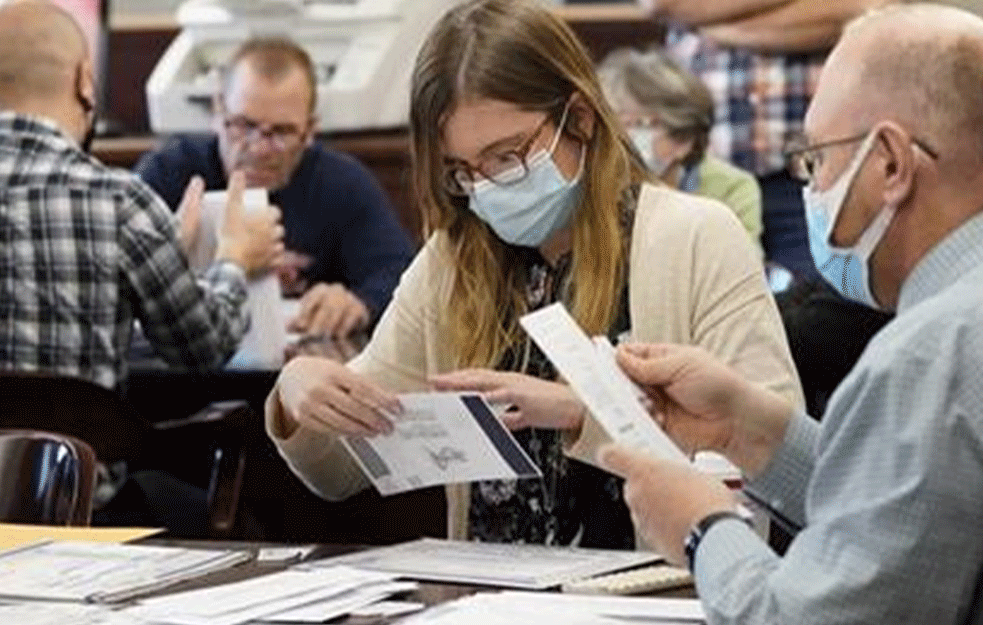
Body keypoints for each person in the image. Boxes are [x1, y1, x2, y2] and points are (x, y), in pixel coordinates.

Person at [263, 0, 802, 549]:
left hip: (655, 593)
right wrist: (296, 393)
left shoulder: (694, 236)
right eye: (462, 171)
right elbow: (339, 472)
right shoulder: (453, 262)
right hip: (489, 597)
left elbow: (770, 455)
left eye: (508, 156)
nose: (489, 187)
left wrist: (580, 412)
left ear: (581, 118)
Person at [601, 5, 983, 622]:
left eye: (817, 160)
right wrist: (750, 429)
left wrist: (702, 529)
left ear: (889, 163)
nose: (813, 188)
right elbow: (910, 516)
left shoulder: (925, 354)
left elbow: (815, 617)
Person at [0, 0, 284, 391]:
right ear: (85, 81)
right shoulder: (119, 203)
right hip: (83, 452)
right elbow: (202, 348)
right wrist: (234, 258)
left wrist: (168, 258)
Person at [136, 37, 413, 337]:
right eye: (243, 125)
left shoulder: (343, 183)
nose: (259, 148)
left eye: (281, 132)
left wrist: (359, 304)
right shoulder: (169, 173)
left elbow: (400, 275)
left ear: (309, 130)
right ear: (218, 112)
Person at [597, 47, 762, 252]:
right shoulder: (590, 189)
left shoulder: (732, 189)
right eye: (615, 123)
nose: (622, 136)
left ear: (684, 138)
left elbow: (743, 271)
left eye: (641, 124)